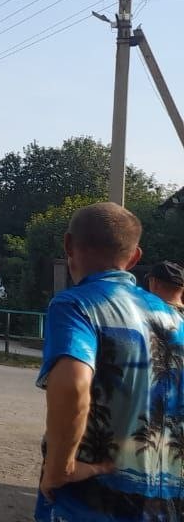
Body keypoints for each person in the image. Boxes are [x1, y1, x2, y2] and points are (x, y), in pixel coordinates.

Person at [35, 202, 184, 521]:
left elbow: (73, 385)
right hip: (165, 502)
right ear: (135, 257)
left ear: (68, 244)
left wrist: (59, 468)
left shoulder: (76, 305)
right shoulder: (174, 320)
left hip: (91, 500)